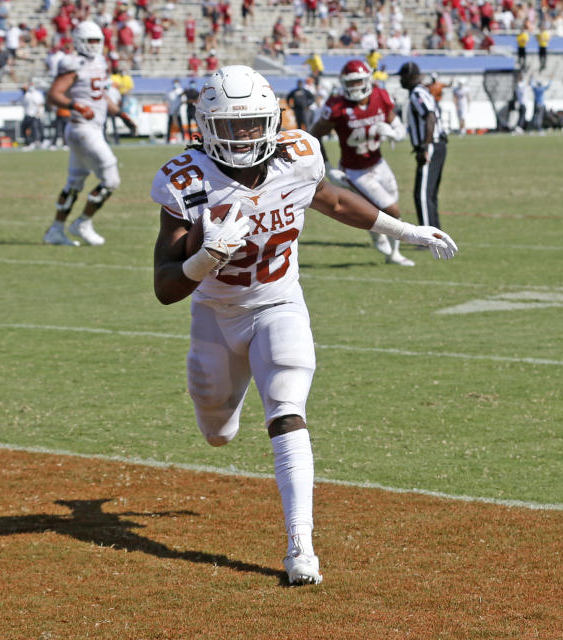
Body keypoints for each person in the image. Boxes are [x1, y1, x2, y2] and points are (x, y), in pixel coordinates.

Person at [149, 65, 458, 586]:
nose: (245, 136)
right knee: (217, 434)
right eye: (232, 125)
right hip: (215, 315)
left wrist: (405, 231)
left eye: (253, 124)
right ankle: (233, 389)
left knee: (288, 408)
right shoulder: (188, 179)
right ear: (204, 125)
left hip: (278, 303)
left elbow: (333, 200)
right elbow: (164, 286)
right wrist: (206, 257)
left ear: (271, 120)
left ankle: (301, 547)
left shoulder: (297, 154)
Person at [309, 59, 414, 266]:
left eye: (359, 81)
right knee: (392, 210)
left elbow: (398, 126)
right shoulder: (337, 107)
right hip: (356, 170)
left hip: (378, 162)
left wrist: (393, 133)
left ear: (367, 80)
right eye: (351, 82)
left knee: (390, 203)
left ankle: (382, 240)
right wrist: (328, 168)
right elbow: (314, 136)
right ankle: (394, 254)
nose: (355, 86)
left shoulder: (380, 96)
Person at [43, 20, 120, 247]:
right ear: (78, 42)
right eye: (90, 41)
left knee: (74, 183)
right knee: (111, 179)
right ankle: (83, 222)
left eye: (97, 40)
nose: (94, 45)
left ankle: (56, 230)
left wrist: (121, 114)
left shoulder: (100, 62)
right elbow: (53, 95)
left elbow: (100, 95)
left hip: (91, 128)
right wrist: (76, 105)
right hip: (82, 129)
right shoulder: (73, 63)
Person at [401, 61, 448, 231]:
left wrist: (424, 146)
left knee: (422, 195)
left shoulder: (417, 94)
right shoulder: (422, 91)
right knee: (429, 195)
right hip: (437, 144)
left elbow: (430, 116)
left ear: (411, 77)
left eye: (403, 76)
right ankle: (436, 233)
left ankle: (428, 237)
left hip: (432, 146)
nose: (400, 80)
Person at [21, 81, 45, 147]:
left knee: (35, 129)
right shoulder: (27, 94)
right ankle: (29, 142)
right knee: (26, 129)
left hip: (34, 115)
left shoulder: (36, 94)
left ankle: (37, 141)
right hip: (28, 114)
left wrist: (39, 112)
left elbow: (40, 104)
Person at [165, 77, 185, 143]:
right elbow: (168, 101)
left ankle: (183, 138)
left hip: (178, 111)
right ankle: (167, 140)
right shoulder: (170, 92)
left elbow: (183, 100)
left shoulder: (181, 91)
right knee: (169, 126)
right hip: (171, 111)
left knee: (180, 125)